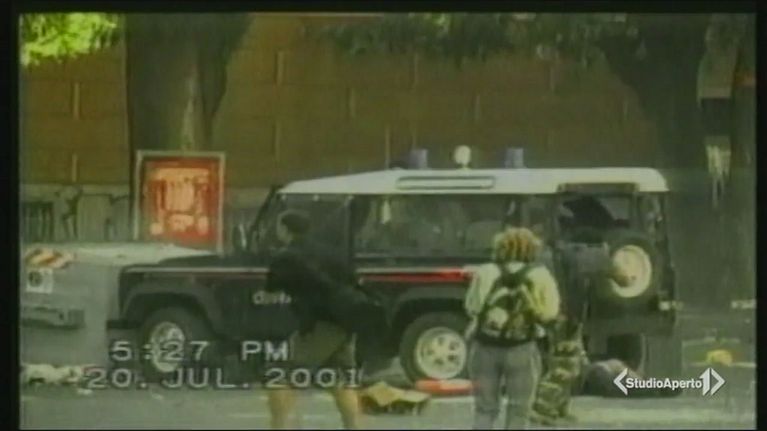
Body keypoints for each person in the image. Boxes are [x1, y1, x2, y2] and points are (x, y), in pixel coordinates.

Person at [264, 210, 362, 430]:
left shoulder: (286, 257)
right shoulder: (333, 253)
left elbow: (270, 291)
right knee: (340, 379)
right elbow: (354, 280)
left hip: (318, 324)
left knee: (280, 374)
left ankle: (279, 426)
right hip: (346, 321)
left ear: (284, 229)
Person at [464, 227, 561, 429]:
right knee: (519, 409)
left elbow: (472, 307)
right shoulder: (541, 275)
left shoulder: (485, 271)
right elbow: (550, 313)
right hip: (522, 348)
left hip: (484, 347)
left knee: (484, 409)